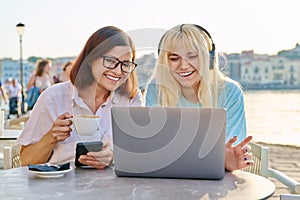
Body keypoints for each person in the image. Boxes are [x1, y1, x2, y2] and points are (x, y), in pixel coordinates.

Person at [17, 26, 142, 169]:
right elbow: (25, 160)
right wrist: (51, 137)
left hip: (116, 188)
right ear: (90, 59)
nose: (118, 71)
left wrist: (113, 156)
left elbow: (139, 153)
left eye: (126, 64)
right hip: (60, 188)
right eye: (110, 61)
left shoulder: (131, 98)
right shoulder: (53, 98)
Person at [145, 24, 253, 171]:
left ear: (208, 58)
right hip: (169, 178)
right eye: (174, 58)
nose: (183, 66)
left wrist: (227, 158)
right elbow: (154, 147)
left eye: (193, 56)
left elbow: (230, 151)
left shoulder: (230, 92)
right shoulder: (156, 89)